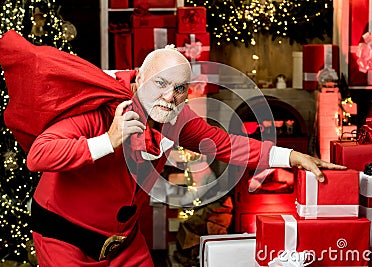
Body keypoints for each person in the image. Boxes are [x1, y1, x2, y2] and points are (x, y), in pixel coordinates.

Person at [0, 30, 346, 267]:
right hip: (65, 237)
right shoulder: (98, 110)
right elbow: (38, 156)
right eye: (161, 84)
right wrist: (108, 140)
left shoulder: (174, 117)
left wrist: (289, 155)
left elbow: (223, 144)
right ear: (138, 82)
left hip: (123, 240)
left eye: (180, 88)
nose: (170, 96)